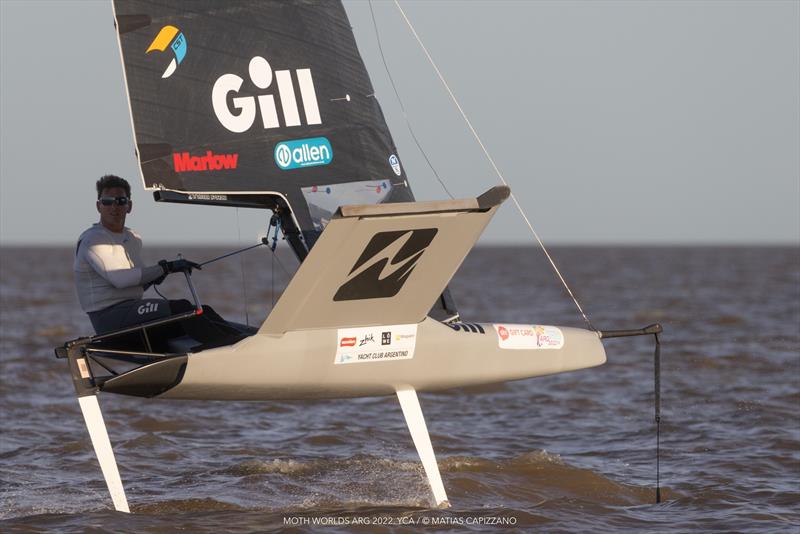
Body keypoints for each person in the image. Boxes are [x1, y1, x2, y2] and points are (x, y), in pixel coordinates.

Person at [74, 174, 242, 348]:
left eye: (121, 201)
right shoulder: (93, 240)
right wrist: (165, 268)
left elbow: (137, 283)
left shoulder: (132, 238)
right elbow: (121, 280)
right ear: (98, 206)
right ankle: (227, 348)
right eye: (107, 201)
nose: (114, 207)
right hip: (110, 321)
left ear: (129, 206)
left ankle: (243, 343)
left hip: (132, 312)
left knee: (203, 310)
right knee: (182, 309)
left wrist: (163, 272)